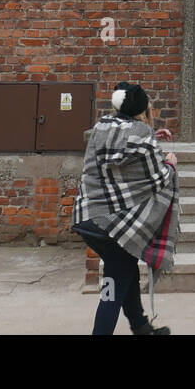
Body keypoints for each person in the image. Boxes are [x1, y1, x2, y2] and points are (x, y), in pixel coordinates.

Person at [73, 82, 179, 335]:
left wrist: (152, 136)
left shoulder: (102, 126)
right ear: (142, 109)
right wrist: (170, 164)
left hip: (87, 216)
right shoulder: (141, 133)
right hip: (112, 224)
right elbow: (156, 178)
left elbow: (122, 149)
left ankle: (141, 327)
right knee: (113, 289)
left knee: (125, 269)